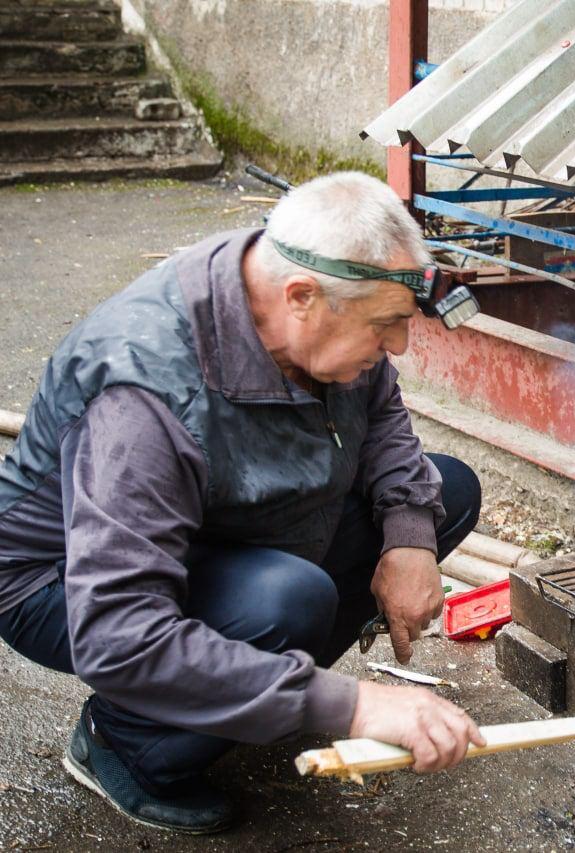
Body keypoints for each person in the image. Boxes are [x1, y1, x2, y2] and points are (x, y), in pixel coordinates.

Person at [0, 172, 486, 834]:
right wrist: (351, 706)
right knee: (284, 600)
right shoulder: (143, 393)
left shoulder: (300, 281)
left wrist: (408, 536)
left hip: (211, 512)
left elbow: (379, 408)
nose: (396, 348)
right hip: (65, 583)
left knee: (444, 492)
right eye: (385, 328)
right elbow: (118, 633)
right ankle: (125, 741)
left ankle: (248, 689)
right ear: (301, 298)